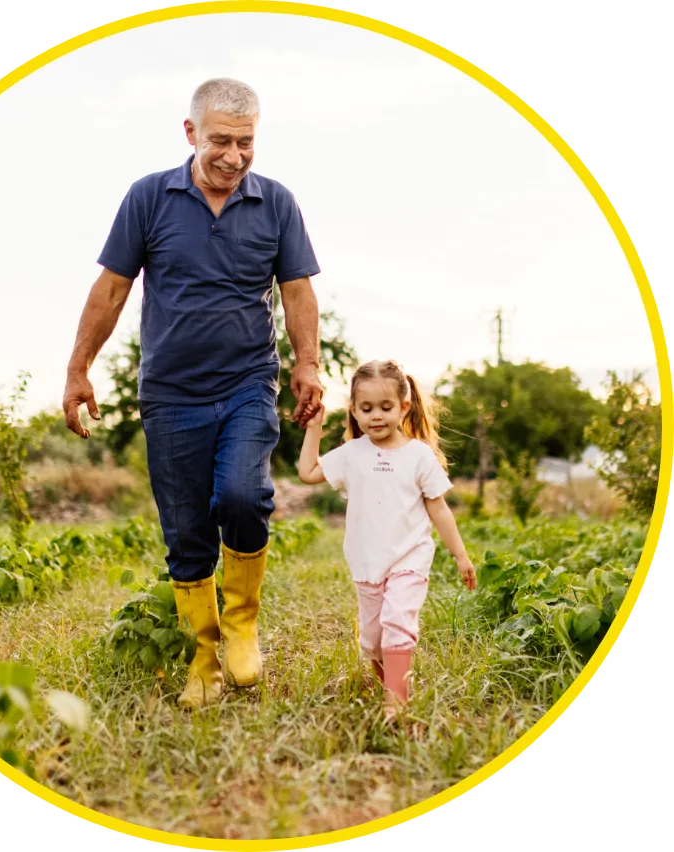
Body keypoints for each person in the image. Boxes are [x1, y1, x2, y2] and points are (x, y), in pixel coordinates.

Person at [63, 78, 324, 709]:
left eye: (247, 142)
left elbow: (296, 292)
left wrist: (308, 364)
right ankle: (203, 657)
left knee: (242, 493)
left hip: (246, 382)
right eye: (220, 142)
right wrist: (78, 370)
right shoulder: (149, 198)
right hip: (170, 392)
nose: (234, 156)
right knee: (185, 530)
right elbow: (112, 290)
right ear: (190, 134)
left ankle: (241, 626)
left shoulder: (277, 203)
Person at [296, 359, 476, 723]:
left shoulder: (419, 456)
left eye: (385, 407)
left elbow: (439, 509)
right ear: (354, 410)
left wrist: (460, 556)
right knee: (374, 640)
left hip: (409, 557)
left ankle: (396, 704)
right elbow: (308, 473)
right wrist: (314, 427)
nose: (376, 416)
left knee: (398, 623)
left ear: (403, 407)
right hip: (367, 561)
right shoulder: (352, 453)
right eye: (366, 408)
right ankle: (390, 684)